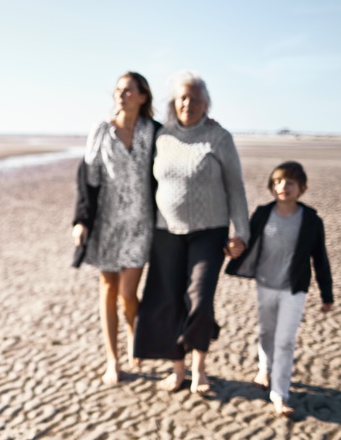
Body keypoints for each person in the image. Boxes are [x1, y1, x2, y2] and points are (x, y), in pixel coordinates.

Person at [133, 71, 250, 394]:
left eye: (195, 98)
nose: (188, 103)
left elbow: (235, 188)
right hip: (165, 232)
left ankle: (200, 368)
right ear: (174, 102)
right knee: (169, 299)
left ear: (205, 104)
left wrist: (241, 232)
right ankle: (179, 368)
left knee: (199, 299)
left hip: (209, 232)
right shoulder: (163, 136)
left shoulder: (219, 137)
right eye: (183, 97)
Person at [72, 72, 161, 385]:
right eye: (119, 90)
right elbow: (87, 179)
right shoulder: (101, 131)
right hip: (106, 223)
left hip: (140, 223)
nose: (122, 95)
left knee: (128, 293)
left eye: (129, 90)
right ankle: (113, 359)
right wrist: (81, 221)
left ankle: (135, 334)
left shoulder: (154, 132)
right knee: (108, 288)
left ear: (142, 97)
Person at [226, 161, 333, 416]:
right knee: (266, 332)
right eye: (277, 182)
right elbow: (247, 241)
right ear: (271, 188)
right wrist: (233, 248)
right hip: (265, 285)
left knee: (285, 341)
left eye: (290, 183)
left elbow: (320, 258)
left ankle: (280, 394)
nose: (283, 187)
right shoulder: (263, 213)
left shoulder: (310, 219)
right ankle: (265, 368)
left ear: (302, 189)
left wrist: (327, 295)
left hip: (294, 289)